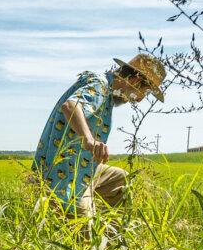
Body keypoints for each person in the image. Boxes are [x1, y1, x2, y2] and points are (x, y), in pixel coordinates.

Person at [33, 53, 166, 216]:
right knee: (85, 231)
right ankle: (84, 220)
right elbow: (70, 106)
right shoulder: (100, 85)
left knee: (121, 179)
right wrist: (89, 140)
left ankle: (109, 232)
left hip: (83, 168)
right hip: (63, 176)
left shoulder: (107, 94)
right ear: (135, 80)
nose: (138, 100)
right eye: (144, 93)